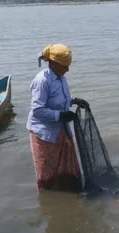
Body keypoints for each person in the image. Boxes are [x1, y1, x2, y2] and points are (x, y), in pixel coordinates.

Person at [27, 43, 89, 192]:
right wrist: (60, 114)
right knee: (48, 175)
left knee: (68, 171)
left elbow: (59, 99)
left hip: (60, 129)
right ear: (53, 63)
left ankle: (67, 198)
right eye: (65, 66)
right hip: (44, 134)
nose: (68, 69)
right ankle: (48, 201)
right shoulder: (42, 81)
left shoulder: (60, 77)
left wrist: (74, 100)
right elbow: (37, 110)